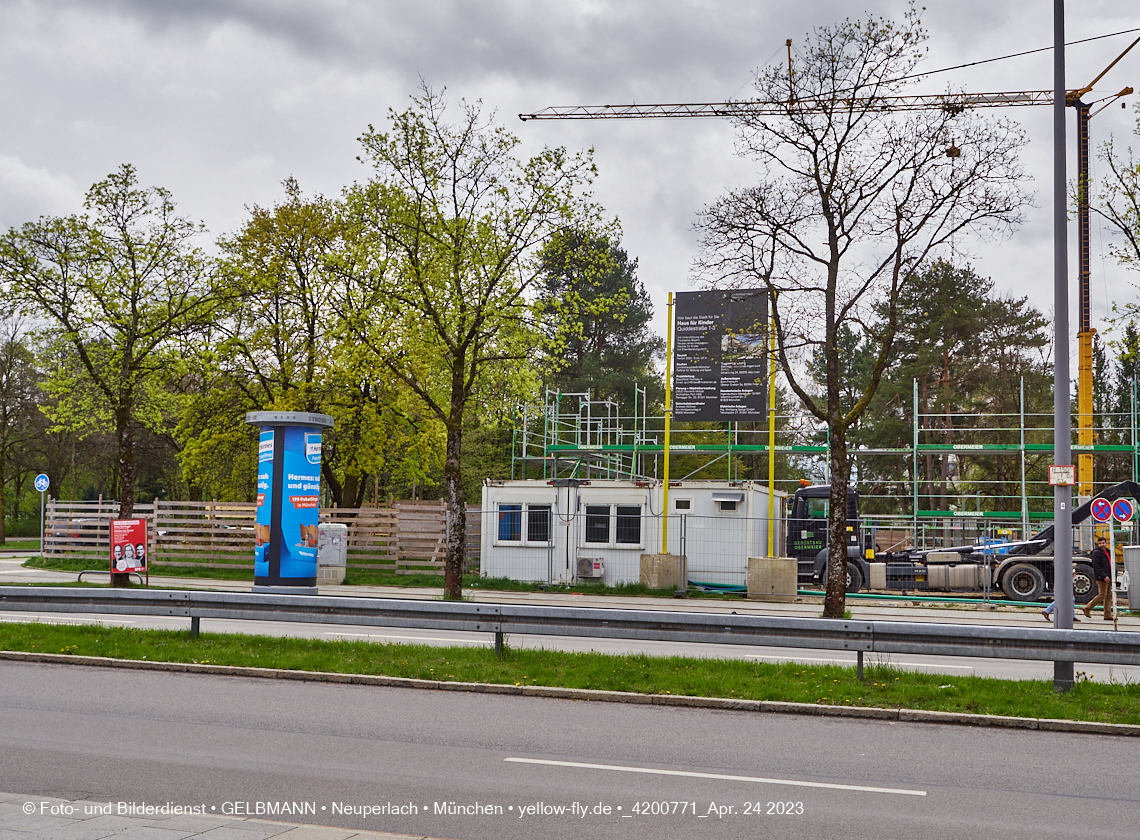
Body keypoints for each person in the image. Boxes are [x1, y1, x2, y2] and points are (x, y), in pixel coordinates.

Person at [1083, 536, 1114, 621]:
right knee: (1102, 595)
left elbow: (1111, 564)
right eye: (1100, 543)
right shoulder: (1096, 553)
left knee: (1108, 596)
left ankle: (1107, 615)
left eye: (1103, 543)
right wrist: (1104, 576)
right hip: (1102, 578)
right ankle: (1087, 608)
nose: (1102, 545)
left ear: (1106, 543)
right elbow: (1096, 566)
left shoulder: (1108, 552)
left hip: (1109, 576)